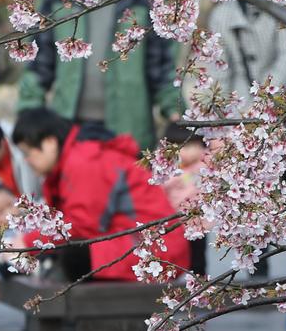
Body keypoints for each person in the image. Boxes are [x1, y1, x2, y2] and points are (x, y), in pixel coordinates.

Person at [208, 0, 286, 277]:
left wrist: (263, 98)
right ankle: (257, 271)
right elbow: (219, 71)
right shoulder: (221, 15)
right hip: (244, 119)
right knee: (253, 201)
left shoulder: (280, 5)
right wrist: (222, 121)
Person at [11, 108, 190, 282]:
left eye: (28, 153)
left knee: (72, 257)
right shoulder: (75, 157)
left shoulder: (84, 161)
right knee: (63, 260)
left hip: (156, 251)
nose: (26, 161)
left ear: (49, 142)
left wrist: (28, 243)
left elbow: (82, 226)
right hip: (137, 243)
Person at [17, 0, 181, 151]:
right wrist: (29, 109)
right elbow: (39, 63)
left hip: (128, 128)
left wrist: (176, 113)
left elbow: (161, 67)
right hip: (69, 127)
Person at [161, 122, 210, 275]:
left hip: (198, 223)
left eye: (191, 146)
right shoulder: (167, 169)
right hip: (174, 221)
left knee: (198, 256)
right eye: (181, 147)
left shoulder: (204, 165)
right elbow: (161, 188)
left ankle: (199, 281)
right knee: (175, 256)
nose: (186, 152)